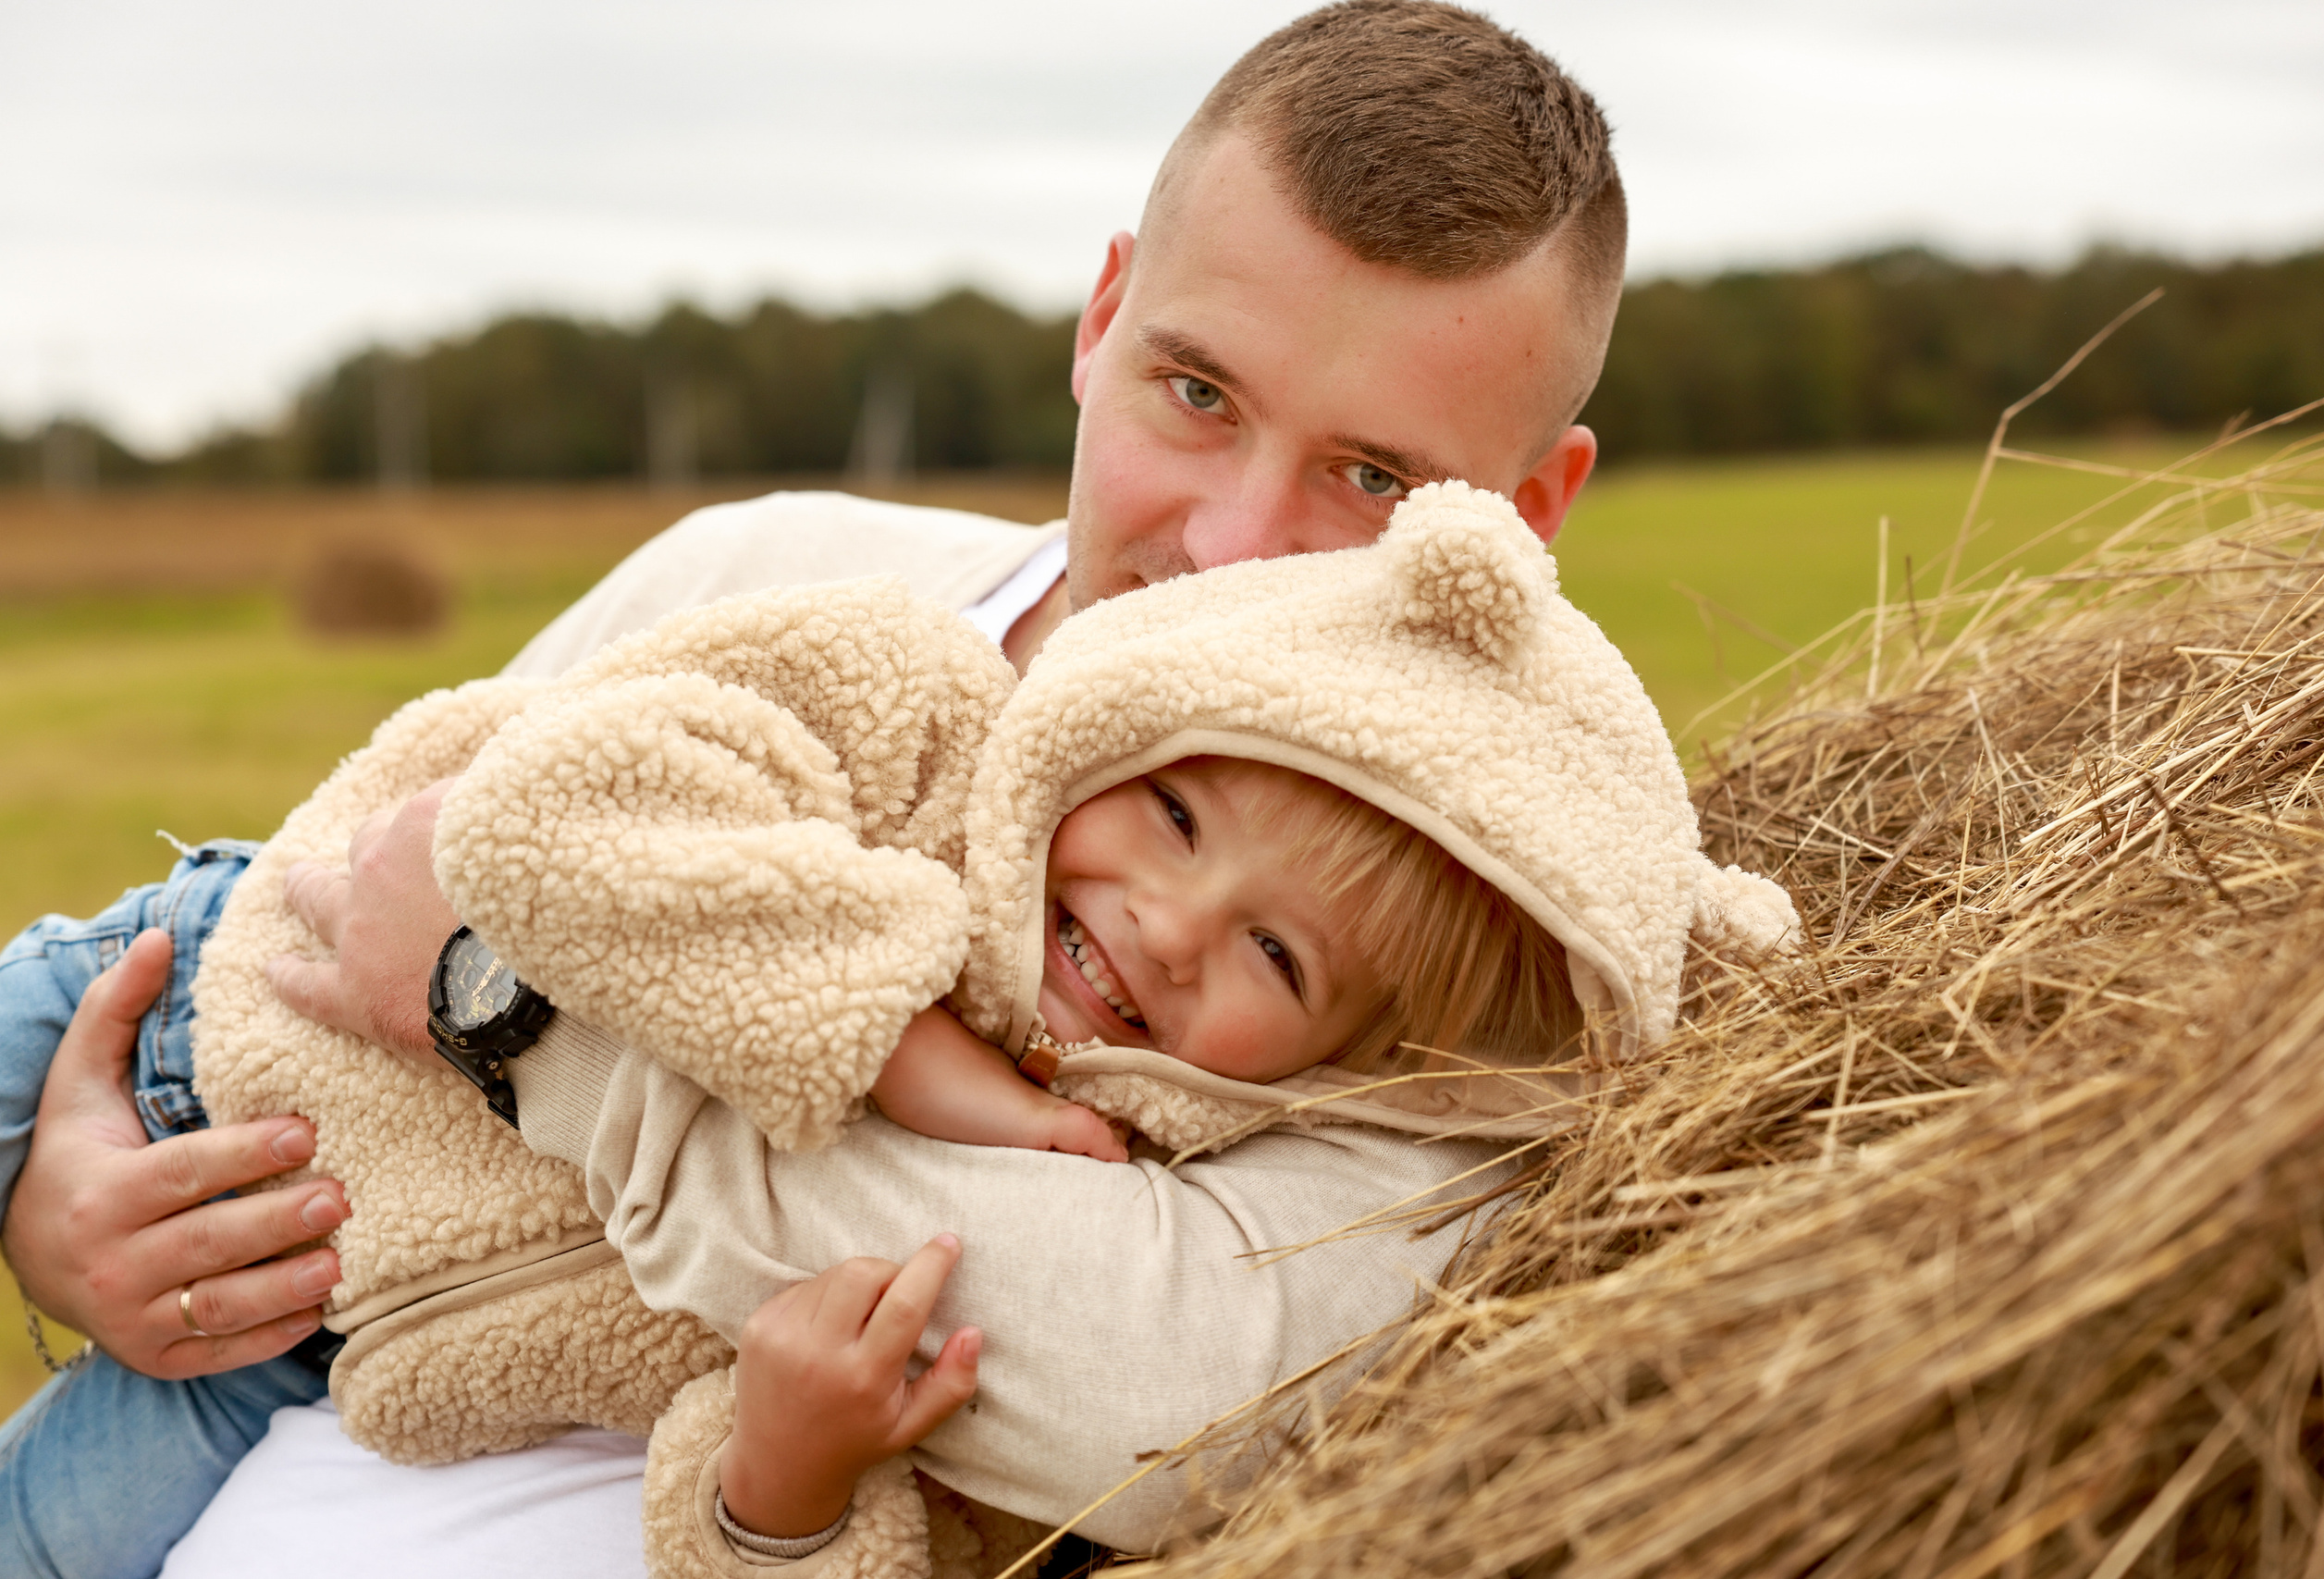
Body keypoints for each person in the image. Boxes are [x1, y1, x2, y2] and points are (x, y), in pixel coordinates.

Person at [2, 2, 1634, 1573]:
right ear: (1101, 320)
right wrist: (61, 1208)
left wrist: (506, 1003)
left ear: (1530, 512)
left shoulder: (1458, 957)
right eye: (1196, 395)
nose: (1229, 546)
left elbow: (1171, 1398)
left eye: (1371, 477)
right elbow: (325, 926)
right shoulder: (765, 571)